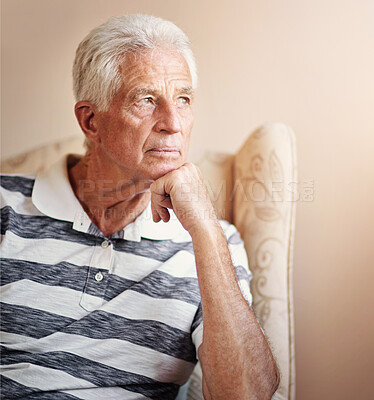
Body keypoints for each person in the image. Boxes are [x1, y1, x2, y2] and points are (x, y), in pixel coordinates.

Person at [0, 14, 279, 400]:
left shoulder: (214, 244)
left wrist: (205, 230)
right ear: (91, 121)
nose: (172, 123)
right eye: (146, 100)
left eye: (183, 99)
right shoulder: (5, 208)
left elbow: (248, 395)